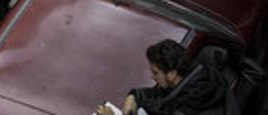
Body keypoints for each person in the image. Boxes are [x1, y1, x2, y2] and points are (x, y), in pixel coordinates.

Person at [96, 39, 231, 115]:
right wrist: (133, 96)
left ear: (171, 74)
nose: (152, 77)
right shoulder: (188, 80)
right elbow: (159, 94)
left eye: (155, 73)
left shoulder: (194, 103)